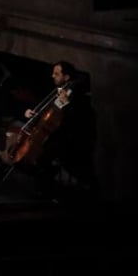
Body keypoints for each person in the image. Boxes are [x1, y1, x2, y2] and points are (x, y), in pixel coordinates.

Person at [8, 61, 96, 199]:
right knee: (41, 155)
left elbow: (75, 119)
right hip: (53, 133)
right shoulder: (58, 90)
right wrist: (34, 114)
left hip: (68, 136)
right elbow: (48, 113)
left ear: (66, 77)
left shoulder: (77, 96)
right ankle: (40, 187)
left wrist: (66, 103)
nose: (52, 76)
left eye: (56, 74)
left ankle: (46, 193)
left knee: (43, 157)